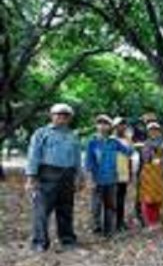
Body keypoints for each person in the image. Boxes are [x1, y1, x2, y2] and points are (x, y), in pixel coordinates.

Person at [25, 104, 83, 252]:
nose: (61, 117)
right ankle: (40, 242)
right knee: (42, 210)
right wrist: (31, 177)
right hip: (47, 174)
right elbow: (34, 155)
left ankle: (67, 239)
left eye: (65, 115)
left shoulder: (72, 135)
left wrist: (79, 177)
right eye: (58, 114)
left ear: (69, 118)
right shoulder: (41, 133)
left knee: (66, 209)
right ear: (52, 115)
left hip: (67, 175)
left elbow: (77, 158)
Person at [85, 115, 133, 237]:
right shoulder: (92, 142)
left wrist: (129, 138)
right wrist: (90, 178)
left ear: (110, 127)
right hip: (97, 179)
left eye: (105, 123)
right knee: (96, 205)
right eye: (99, 123)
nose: (102, 126)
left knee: (110, 205)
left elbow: (128, 152)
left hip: (112, 178)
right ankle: (96, 228)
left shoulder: (114, 142)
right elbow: (89, 162)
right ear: (96, 126)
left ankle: (109, 230)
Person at [137, 122, 163, 230]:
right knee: (148, 199)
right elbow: (146, 159)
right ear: (148, 132)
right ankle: (149, 222)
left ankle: (156, 220)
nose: (154, 132)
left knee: (158, 198)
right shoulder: (146, 144)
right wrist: (157, 149)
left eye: (156, 130)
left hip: (159, 174)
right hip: (148, 173)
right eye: (151, 130)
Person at [113, 117, 133, 231]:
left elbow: (130, 155)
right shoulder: (111, 139)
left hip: (124, 172)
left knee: (121, 197)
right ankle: (112, 222)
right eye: (120, 124)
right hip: (112, 172)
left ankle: (120, 221)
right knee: (113, 198)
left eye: (124, 124)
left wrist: (130, 172)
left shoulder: (128, 139)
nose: (122, 127)